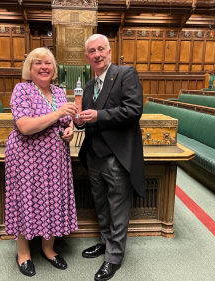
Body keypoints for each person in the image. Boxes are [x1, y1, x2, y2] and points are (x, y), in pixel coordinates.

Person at [73, 34, 146, 281]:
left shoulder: (126, 74)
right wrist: (78, 122)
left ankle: (114, 257)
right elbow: (86, 120)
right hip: (93, 155)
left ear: (110, 51)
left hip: (117, 155)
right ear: (87, 57)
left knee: (117, 206)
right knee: (101, 205)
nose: (97, 55)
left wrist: (98, 116)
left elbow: (133, 110)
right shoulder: (90, 86)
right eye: (92, 51)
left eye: (101, 49)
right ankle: (106, 242)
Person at [4, 47, 78, 277]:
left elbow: (67, 121)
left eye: (48, 63)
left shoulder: (58, 92)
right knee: (25, 200)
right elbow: (24, 126)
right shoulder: (22, 90)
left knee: (53, 199)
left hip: (55, 158)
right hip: (26, 157)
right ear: (30, 67)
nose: (44, 67)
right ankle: (24, 253)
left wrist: (69, 130)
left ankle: (48, 248)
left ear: (54, 68)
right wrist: (58, 115)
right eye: (38, 63)